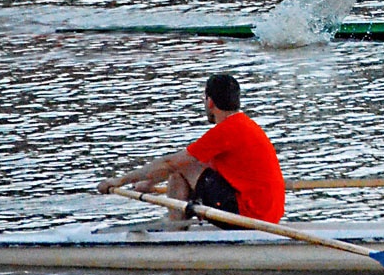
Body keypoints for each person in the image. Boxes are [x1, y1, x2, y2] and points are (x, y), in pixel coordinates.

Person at [97, 73, 285, 228]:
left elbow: (171, 163)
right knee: (185, 166)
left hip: (250, 217)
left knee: (181, 166)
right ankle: (177, 226)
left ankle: (175, 231)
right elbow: (194, 164)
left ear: (210, 102)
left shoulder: (226, 131)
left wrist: (120, 180)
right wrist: (148, 183)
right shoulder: (245, 126)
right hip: (269, 214)